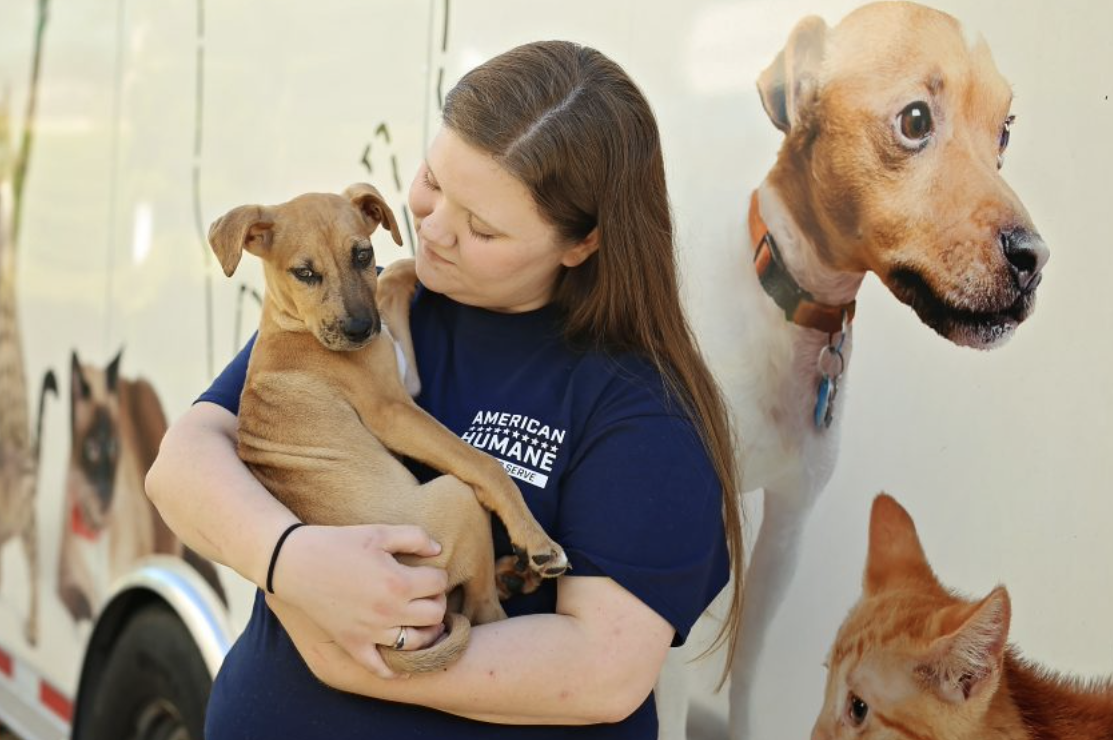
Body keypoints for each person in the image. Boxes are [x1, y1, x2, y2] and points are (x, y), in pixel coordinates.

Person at [145, 40, 745, 738]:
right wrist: (293, 563)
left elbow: (602, 671)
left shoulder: (643, 411)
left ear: (580, 244)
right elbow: (184, 464)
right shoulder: (370, 309)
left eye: (481, 227)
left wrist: (354, 656)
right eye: (433, 180)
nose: (431, 228)